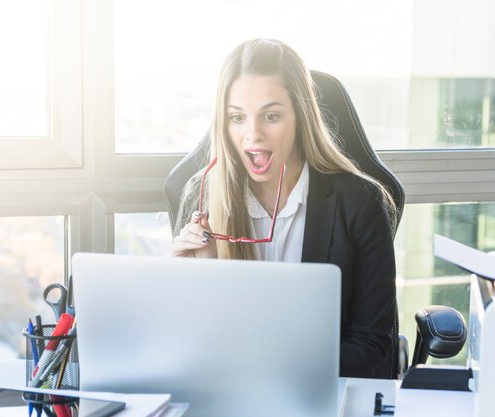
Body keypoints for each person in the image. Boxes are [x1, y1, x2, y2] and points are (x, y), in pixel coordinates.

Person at [171, 39, 398, 378]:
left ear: (300, 118)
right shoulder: (201, 198)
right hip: (230, 389)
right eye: (237, 117)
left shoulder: (360, 202)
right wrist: (194, 282)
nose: (253, 134)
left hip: (321, 388)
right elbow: (190, 342)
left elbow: (371, 342)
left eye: (271, 116)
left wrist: (277, 370)